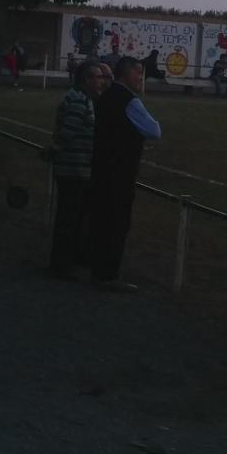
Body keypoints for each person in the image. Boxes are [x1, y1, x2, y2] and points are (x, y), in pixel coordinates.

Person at [83, 60, 160, 289]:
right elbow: (154, 130)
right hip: (120, 172)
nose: (140, 77)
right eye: (138, 72)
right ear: (127, 73)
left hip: (100, 167)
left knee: (101, 220)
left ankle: (97, 269)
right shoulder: (130, 100)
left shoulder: (104, 96)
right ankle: (108, 275)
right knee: (116, 223)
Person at [46, 61, 108, 280]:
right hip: (73, 168)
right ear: (86, 79)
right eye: (97, 77)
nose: (101, 81)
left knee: (70, 217)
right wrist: (52, 150)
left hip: (75, 167)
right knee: (68, 218)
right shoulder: (80, 101)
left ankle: (64, 260)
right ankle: (60, 264)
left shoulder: (81, 98)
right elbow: (67, 132)